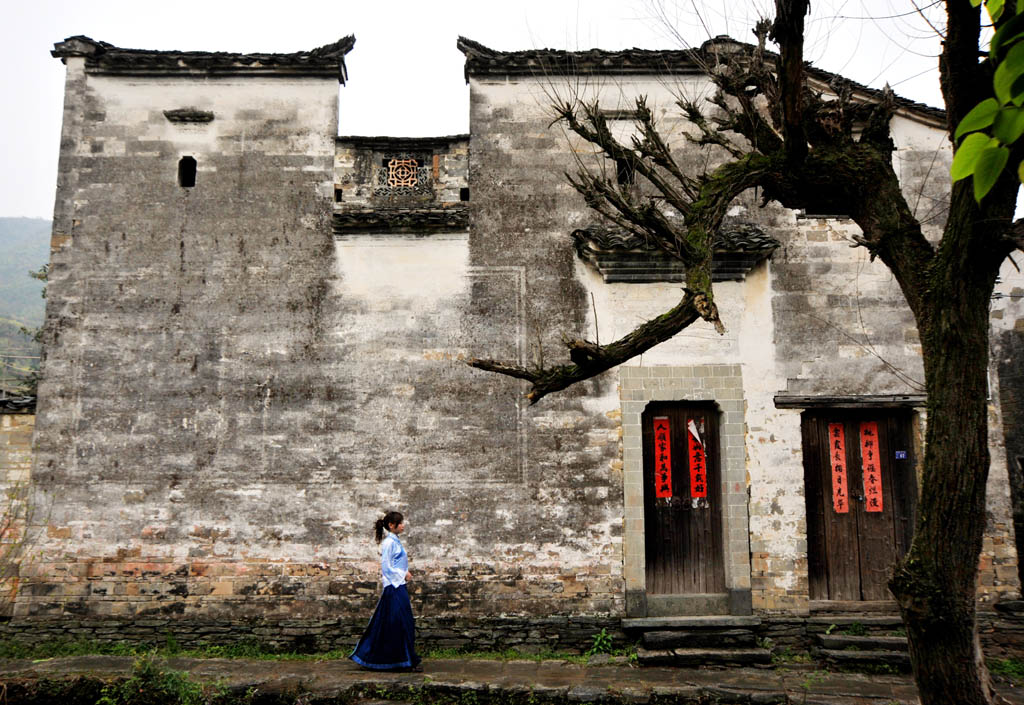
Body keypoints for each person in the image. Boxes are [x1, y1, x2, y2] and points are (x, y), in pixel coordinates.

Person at [350, 510, 422, 671]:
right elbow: (386, 567)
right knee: (400, 623)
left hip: (398, 586)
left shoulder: (395, 541)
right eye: (400, 523)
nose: (403, 525)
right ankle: (401, 661)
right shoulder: (389, 543)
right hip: (394, 587)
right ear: (391, 525)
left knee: (400, 622)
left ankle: (402, 659)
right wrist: (403, 574)